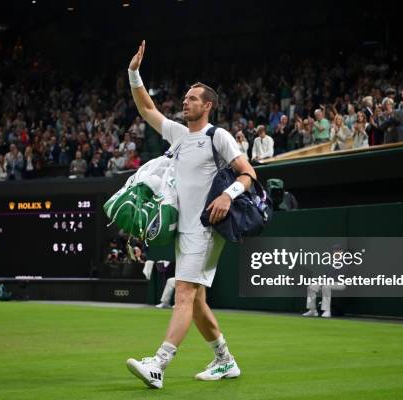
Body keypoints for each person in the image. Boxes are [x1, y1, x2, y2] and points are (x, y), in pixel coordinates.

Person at [125, 41, 255, 389]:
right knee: (196, 302)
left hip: (206, 229)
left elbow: (248, 173)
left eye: (193, 98)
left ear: (208, 105)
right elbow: (147, 109)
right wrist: (134, 73)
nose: (186, 101)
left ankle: (159, 363)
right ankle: (225, 360)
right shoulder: (179, 135)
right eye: (185, 97)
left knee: (183, 293)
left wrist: (228, 195)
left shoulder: (219, 136)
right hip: (183, 231)